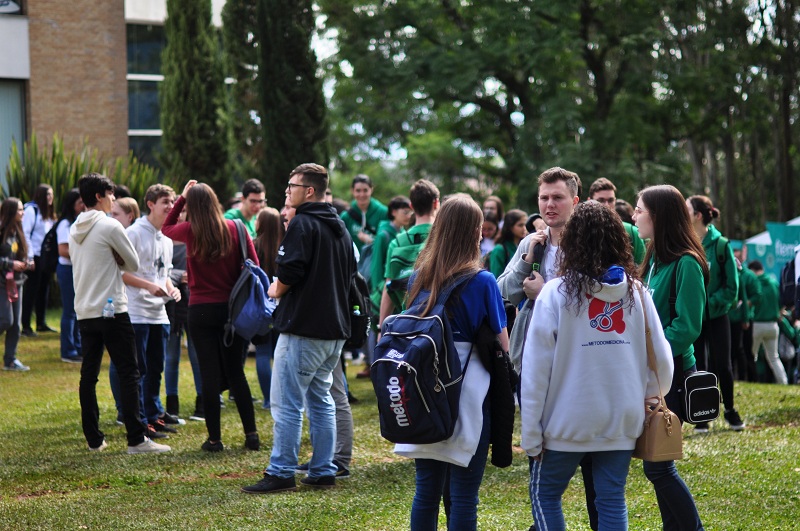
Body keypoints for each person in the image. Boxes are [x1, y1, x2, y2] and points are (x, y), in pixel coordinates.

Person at [522, 201, 673, 531]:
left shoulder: (554, 294)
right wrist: (650, 394)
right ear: (619, 239)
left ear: (572, 240)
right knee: (611, 499)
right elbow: (662, 359)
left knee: (546, 495)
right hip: (620, 420)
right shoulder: (637, 293)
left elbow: (535, 372)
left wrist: (531, 434)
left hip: (563, 426)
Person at [392, 194, 508, 530]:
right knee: (464, 496)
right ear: (473, 233)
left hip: (425, 392)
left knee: (426, 491)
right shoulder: (482, 280)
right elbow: (502, 344)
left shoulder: (418, 278)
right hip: (468, 396)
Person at [242, 163, 356, 494]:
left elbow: (289, 274)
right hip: (333, 330)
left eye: (291, 185)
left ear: (309, 190)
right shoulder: (339, 227)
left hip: (304, 329)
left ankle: (280, 471)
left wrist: (272, 289)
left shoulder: (303, 223)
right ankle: (322, 468)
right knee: (320, 399)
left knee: (286, 402)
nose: (287, 191)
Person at [69, 173, 170, 454]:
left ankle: (94, 439)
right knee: (129, 371)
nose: (113, 199)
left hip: (85, 310)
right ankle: (136, 439)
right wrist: (117, 257)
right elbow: (133, 263)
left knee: (88, 376)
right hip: (113, 309)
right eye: (110, 194)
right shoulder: (110, 226)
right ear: (100, 196)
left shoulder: (75, 226)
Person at [162, 180, 260, 452]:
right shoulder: (236, 228)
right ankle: (251, 435)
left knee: (208, 374)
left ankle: (215, 439)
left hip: (200, 310)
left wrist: (181, 198)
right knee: (235, 371)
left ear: (192, 207)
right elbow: (255, 265)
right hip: (233, 310)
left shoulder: (191, 231)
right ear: (216, 202)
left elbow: (166, 228)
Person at [633, 184, 706, 530]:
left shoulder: (686, 263)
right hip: (654, 372)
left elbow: (688, 326)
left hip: (671, 373)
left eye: (639, 210)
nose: (634, 216)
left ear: (658, 216)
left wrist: (651, 358)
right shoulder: (653, 259)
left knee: (658, 465)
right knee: (656, 462)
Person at [118, 185, 183, 435]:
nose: (170, 206)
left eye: (173, 201)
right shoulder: (134, 233)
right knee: (140, 370)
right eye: (166, 201)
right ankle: (141, 419)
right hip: (137, 313)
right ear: (150, 204)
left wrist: (171, 288)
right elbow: (122, 273)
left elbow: (163, 275)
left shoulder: (166, 237)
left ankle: (154, 414)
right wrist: (149, 287)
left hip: (160, 313)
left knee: (156, 368)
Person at [686, 195, 742, 431]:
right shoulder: (686, 244)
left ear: (698, 215)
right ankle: (702, 416)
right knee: (697, 366)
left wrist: (711, 304)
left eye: (687, 209)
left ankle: (729, 410)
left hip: (718, 316)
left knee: (723, 365)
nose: (683, 212)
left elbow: (733, 287)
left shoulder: (721, 245)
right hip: (695, 319)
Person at [379, 179, 441, 325]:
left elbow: (389, 288)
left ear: (412, 206)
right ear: (436, 203)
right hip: (437, 321)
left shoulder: (397, 242)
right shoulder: (443, 238)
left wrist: (381, 327)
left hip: (406, 320)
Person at [252, 207, 283, 410]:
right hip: (281, 307)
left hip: (259, 307)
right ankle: (280, 397)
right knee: (280, 354)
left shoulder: (254, 246)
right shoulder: (285, 246)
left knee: (262, 353)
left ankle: (268, 399)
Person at [20, 184, 56, 336]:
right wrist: (29, 257)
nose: (50, 198)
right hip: (33, 255)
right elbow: (25, 234)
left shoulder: (48, 213)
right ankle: (26, 325)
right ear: (41, 195)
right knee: (31, 291)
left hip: (45, 257)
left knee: (43, 290)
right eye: (47, 194)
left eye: (51, 195)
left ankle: (41, 323)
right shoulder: (31, 210)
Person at [1, 199, 32, 371]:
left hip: (17, 282)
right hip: (2, 282)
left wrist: (26, 262)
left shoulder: (18, 231)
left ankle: (10, 360)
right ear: (11, 211)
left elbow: (20, 254)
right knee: (6, 320)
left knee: (15, 325)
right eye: (20, 210)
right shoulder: (1, 231)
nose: (23, 212)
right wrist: (10, 264)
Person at [55, 189, 84, 363]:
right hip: (67, 270)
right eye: (79, 202)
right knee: (70, 311)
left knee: (78, 310)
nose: (82, 205)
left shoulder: (78, 221)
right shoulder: (65, 224)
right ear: (71, 203)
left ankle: (78, 346)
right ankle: (68, 350)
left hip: (77, 269)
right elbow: (63, 250)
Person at [748, 260, 789, 384]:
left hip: (757, 325)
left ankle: (751, 380)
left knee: (752, 355)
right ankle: (784, 382)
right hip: (773, 325)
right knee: (774, 357)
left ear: (752, 270)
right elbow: (782, 304)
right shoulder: (773, 282)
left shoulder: (754, 282)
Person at [587, 178, 646, 264]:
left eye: (610, 200)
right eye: (601, 200)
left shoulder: (631, 231)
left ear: (615, 200)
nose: (606, 205)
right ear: (590, 201)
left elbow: (642, 268)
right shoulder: (582, 230)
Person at [728, 248, 761, 382]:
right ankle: (735, 377)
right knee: (732, 350)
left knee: (745, 350)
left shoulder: (748, 276)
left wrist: (746, 305)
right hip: (730, 317)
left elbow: (757, 295)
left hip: (744, 318)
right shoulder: (730, 274)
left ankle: (748, 378)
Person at [340, 174, 388, 254]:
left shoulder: (383, 213)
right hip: (353, 264)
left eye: (365, 190)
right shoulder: (346, 216)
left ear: (371, 190)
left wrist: (371, 240)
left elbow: (391, 241)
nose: (362, 195)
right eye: (358, 191)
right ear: (352, 191)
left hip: (376, 263)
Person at [487, 209, 527, 278]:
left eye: (525, 225)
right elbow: (496, 278)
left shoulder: (525, 246)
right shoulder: (499, 250)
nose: (524, 228)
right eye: (520, 225)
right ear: (510, 227)